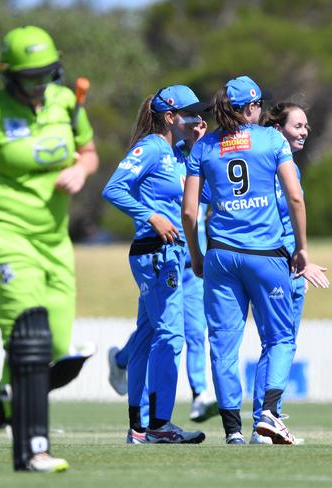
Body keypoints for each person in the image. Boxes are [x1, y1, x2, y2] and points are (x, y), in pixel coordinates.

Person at [0, 25, 98, 472]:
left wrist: (81, 171)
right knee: (30, 336)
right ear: (8, 76)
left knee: (56, 354)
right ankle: (33, 450)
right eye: (28, 77)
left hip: (53, 240)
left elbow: (89, 152)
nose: (39, 85)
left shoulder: (65, 103)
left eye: (46, 74)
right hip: (0, 231)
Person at [182, 75, 329, 445]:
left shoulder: (204, 147)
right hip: (266, 256)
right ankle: (268, 415)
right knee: (279, 338)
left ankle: (233, 431)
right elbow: (295, 198)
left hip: (221, 256)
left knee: (222, 343)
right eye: (258, 105)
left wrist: (198, 255)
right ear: (251, 108)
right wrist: (302, 249)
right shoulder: (271, 139)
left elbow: (188, 213)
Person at [102, 85, 210, 444]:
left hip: (173, 255)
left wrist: (197, 150)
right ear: (170, 117)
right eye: (190, 114)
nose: (198, 119)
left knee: (147, 336)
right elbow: (114, 188)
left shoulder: (181, 155)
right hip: (155, 252)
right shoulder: (151, 148)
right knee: (172, 337)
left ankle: (138, 429)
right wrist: (150, 216)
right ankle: (159, 425)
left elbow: (205, 198)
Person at [249, 101, 325, 445]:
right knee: (277, 343)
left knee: (281, 343)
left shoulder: (290, 167)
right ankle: (263, 419)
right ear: (277, 129)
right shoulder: (268, 166)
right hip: (279, 265)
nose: (304, 131)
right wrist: (298, 260)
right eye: (297, 126)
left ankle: (268, 418)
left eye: (306, 126)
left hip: (291, 266)